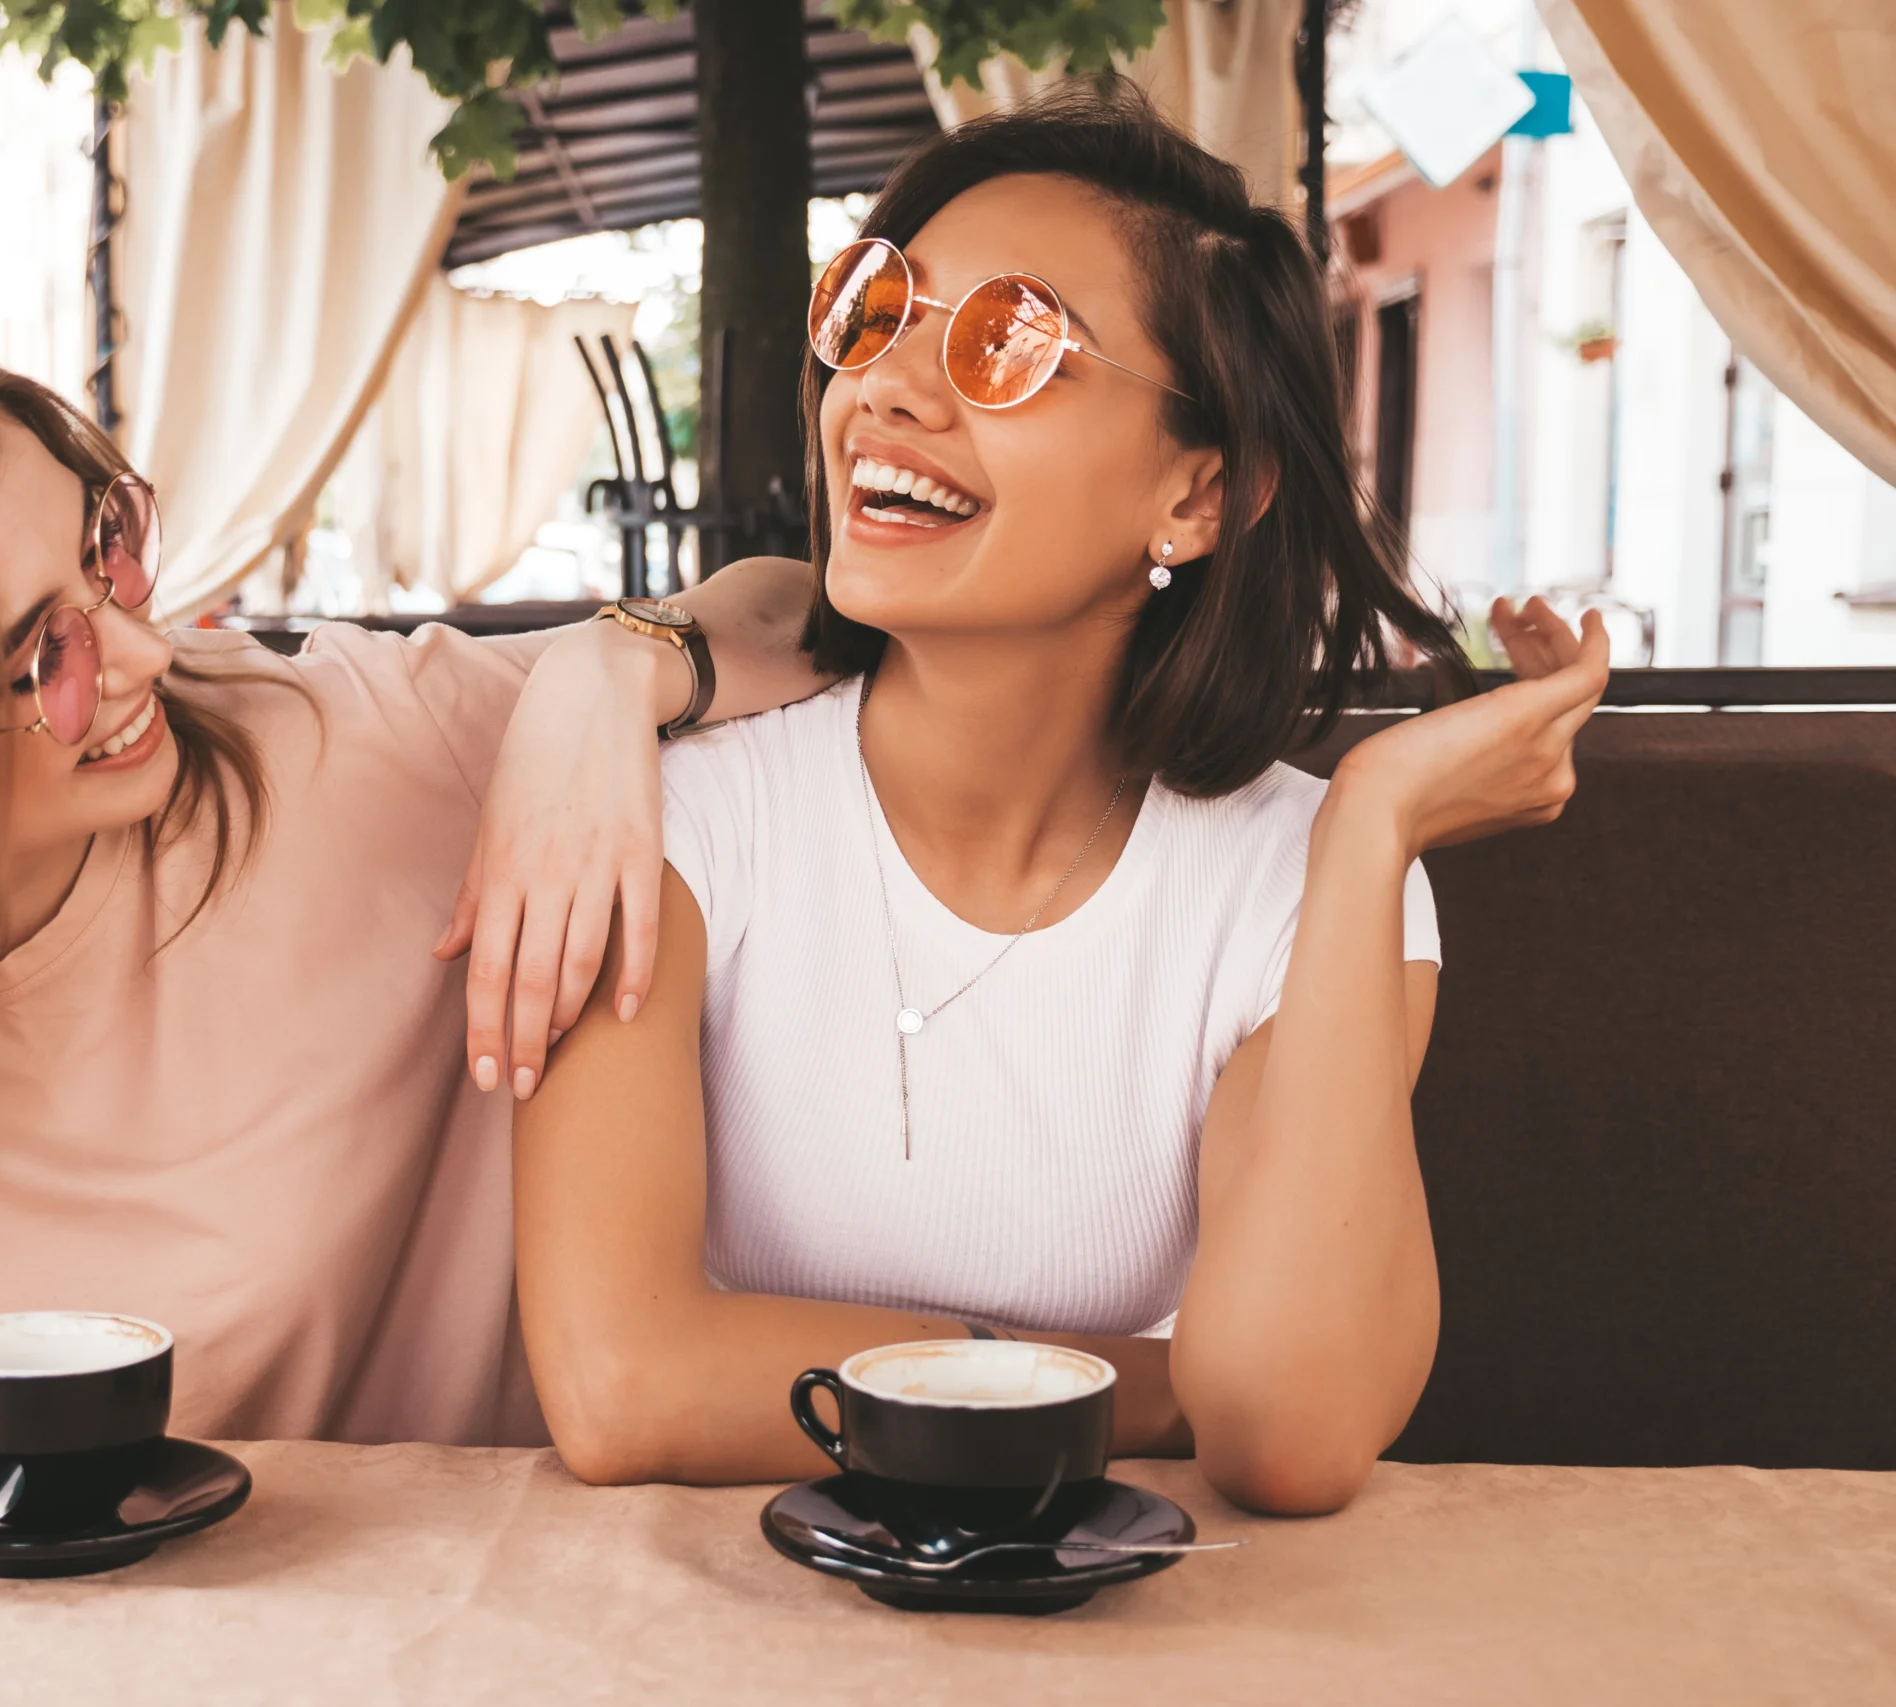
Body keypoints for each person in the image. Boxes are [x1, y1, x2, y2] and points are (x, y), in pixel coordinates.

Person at [0, 322, 827, 1552]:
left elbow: (809, 614)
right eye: (41, 655)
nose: (138, 648)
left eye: (104, 548)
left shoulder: (342, 751)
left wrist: (611, 667)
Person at [512, 84, 1611, 1516]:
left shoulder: (1303, 878)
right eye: (879, 308)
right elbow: (622, 1383)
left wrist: (1370, 827)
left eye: (1011, 344)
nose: (889, 388)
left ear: (1203, 496)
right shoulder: (668, 820)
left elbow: (1285, 1432)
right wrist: (1145, 1384)